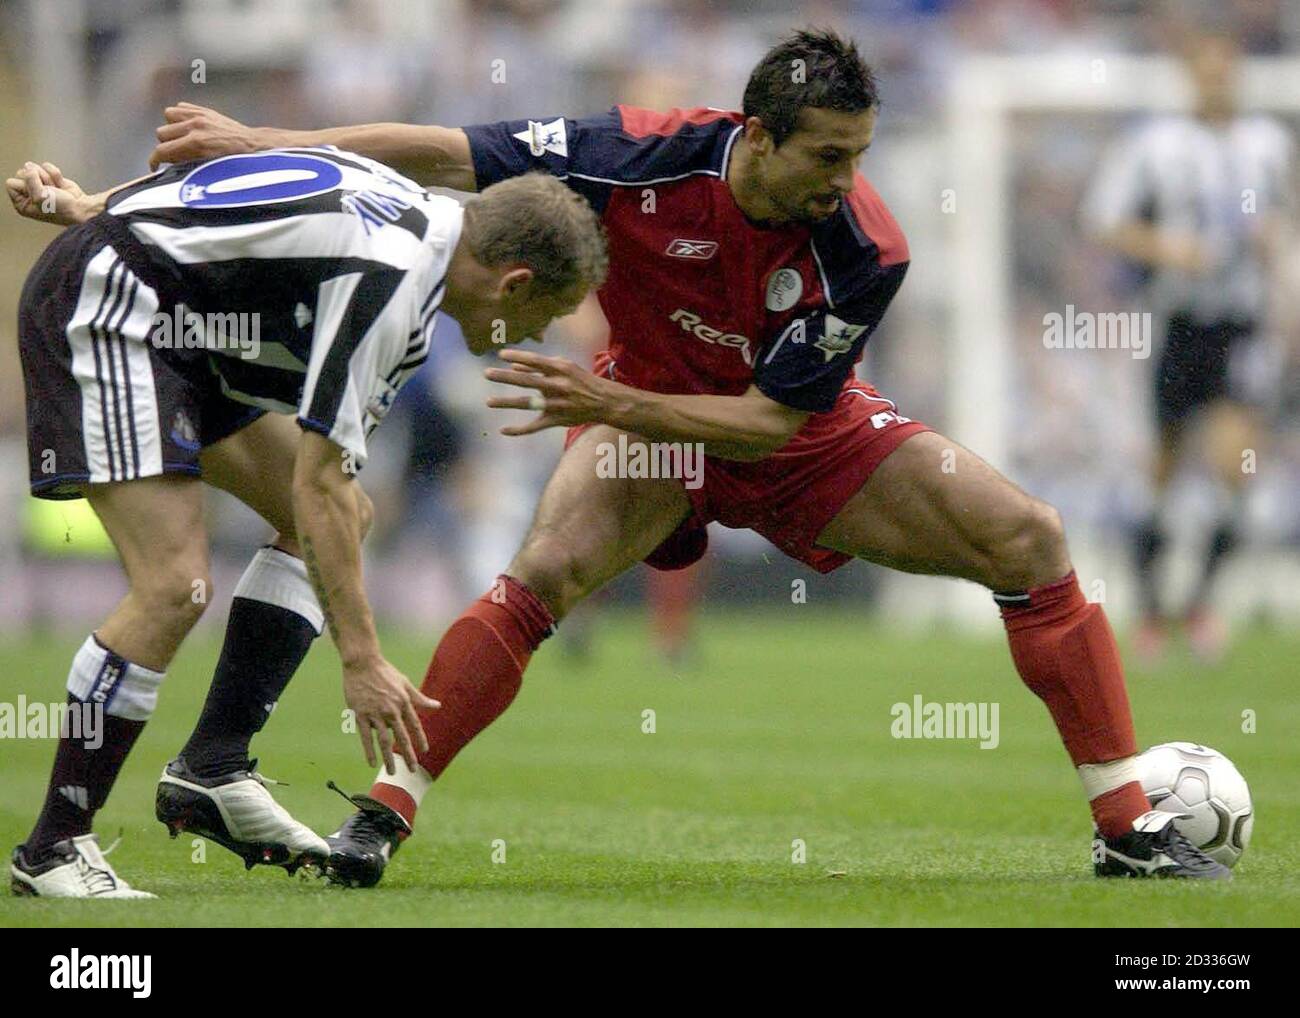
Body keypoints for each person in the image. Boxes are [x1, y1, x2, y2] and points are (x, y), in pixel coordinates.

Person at [152, 28, 1229, 885]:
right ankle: (383, 818)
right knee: (539, 578)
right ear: (755, 135)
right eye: (827, 156)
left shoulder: (867, 246)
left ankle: (1123, 825)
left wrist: (612, 397)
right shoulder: (637, 152)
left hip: (792, 433)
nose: (846, 179)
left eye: (859, 156)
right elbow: (446, 149)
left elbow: (769, 421)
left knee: (1030, 538)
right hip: (637, 418)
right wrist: (260, 144)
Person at [6, 148, 606, 897]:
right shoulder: (397, 284)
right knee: (175, 585)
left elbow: (246, 182)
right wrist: (361, 660)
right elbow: (315, 480)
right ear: (514, 282)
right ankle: (54, 848)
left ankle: (212, 769)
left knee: (348, 517)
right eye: (541, 316)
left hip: (179, 321)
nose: (536, 334)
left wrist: (100, 205)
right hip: (118, 309)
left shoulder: (420, 213)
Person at [1082, 30, 1293, 662]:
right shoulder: (1155, 145)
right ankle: (1150, 610)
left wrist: (1272, 242)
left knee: (1237, 469)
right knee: (1165, 471)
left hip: (1242, 325)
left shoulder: (1268, 144)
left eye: (1226, 72)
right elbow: (1106, 221)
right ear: (1189, 78)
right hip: (1179, 321)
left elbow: (1281, 219)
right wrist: (1171, 250)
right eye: (1206, 72)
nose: (1217, 82)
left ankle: (1198, 603)